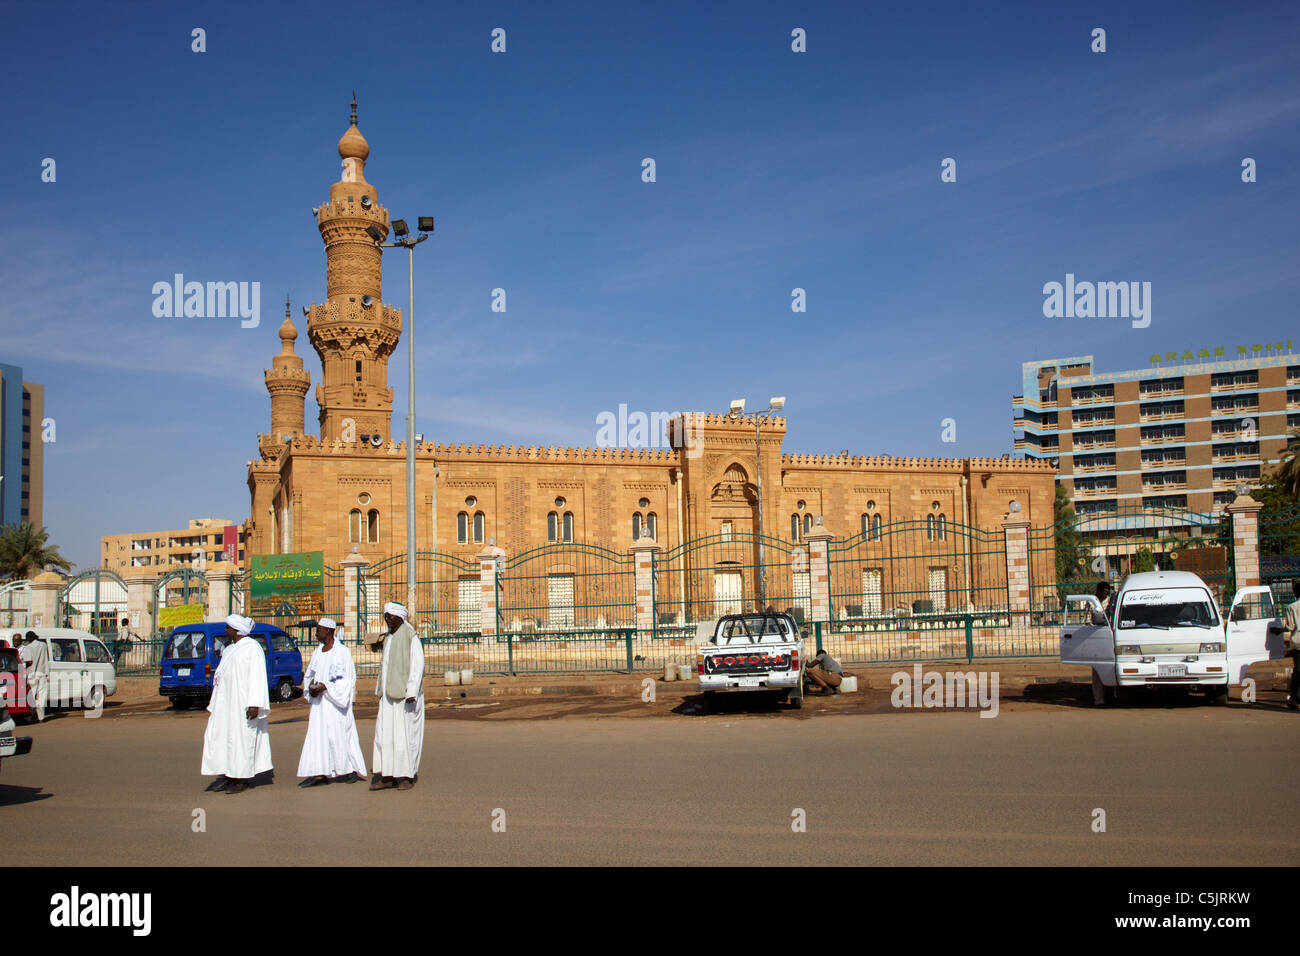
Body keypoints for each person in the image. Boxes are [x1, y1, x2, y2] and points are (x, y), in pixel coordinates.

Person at [201, 614, 272, 794]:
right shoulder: (229, 649)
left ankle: (242, 778)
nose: (225, 631)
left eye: (228, 628)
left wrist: (255, 703)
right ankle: (229, 774)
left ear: (236, 630)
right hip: (226, 704)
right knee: (224, 738)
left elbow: (257, 676)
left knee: (242, 740)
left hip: (243, 703)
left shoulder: (252, 648)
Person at [297, 618, 366, 786]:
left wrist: (326, 687)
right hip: (319, 705)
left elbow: (348, 680)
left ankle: (349, 770)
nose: (316, 633)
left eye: (319, 630)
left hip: (336, 704)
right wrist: (311, 688)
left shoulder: (342, 652)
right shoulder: (317, 652)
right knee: (318, 737)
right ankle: (320, 773)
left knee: (340, 736)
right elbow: (310, 674)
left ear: (328, 631)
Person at [369, 602, 424, 791]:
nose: (387, 620)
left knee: (404, 736)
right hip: (387, 695)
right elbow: (384, 666)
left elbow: (417, 666)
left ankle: (405, 776)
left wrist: (411, 691)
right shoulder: (389, 637)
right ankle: (387, 774)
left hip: (404, 696)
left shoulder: (410, 635)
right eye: (385, 616)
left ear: (400, 617)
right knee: (385, 735)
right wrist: (379, 690)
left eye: (390, 616)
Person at [19, 631, 48, 722]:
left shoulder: (28, 647)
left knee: (31, 697)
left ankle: (30, 716)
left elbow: (29, 661)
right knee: (41, 696)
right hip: (43, 673)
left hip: (32, 674)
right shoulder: (43, 645)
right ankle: (41, 718)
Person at [1281, 580, 1300, 711]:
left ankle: (1294, 698)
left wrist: (1279, 630)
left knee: (1298, 672)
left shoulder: (1292, 607)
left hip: (1298, 643)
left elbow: (1290, 626)